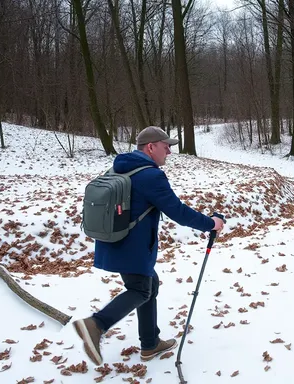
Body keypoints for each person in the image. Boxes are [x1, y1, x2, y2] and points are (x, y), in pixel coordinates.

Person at [73, 126, 225, 365]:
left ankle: (150, 343)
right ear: (151, 147)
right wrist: (211, 223)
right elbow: (178, 211)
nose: (169, 153)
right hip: (132, 246)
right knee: (141, 289)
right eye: (166, 148)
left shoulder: (119, 167)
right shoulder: (150, 175)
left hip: (116, 241)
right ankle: (96, 324)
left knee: (149, 284)